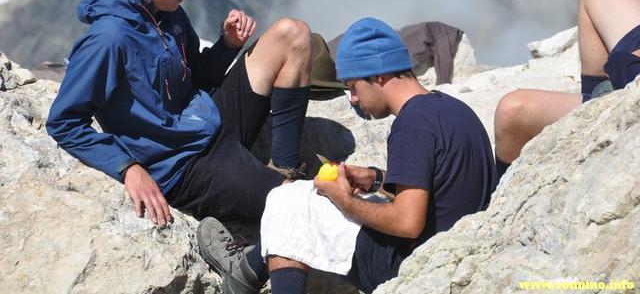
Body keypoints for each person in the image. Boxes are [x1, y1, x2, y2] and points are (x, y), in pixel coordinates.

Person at [46, 0, 313, 227]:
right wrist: (127, 167)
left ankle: (284, 167)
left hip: (208, 121)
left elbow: (200, 76)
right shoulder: (108, 39)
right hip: (184, 166)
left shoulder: (169, 14)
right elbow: (64, 122)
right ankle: (272, 199)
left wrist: (228, 44)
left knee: (292, 33)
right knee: (301, 204)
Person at [196, 17, 497, 294]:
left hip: (409, 262)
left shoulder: (412, 126)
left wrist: (344, 200)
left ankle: (245, 273)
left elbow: (408, 222)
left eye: (354, 87)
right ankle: (247, 271)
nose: (353, 99)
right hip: (453, 249)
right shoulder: (455, 110)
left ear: (378, 75)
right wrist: (376, 178)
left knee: (289, 202)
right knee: (300, 200)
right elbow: (437, 190)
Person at [494, 0, 640, 180]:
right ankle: (595, 98)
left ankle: (594, 111)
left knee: (513, 110)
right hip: (624, 76)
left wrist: (625, 61)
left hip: (628, 88)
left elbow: (627, 69)